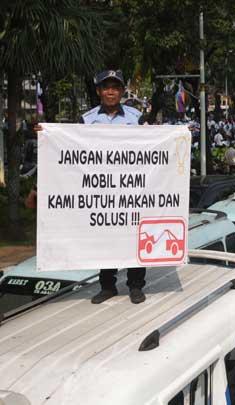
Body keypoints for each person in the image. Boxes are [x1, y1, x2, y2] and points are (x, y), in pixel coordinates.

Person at [82, 70, 147, 304]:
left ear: (121, 91)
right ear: (99, 91)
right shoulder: (87, 119)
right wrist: (47, 135)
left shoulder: (136, 117)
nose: (111, 91)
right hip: (102, 189)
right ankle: (107, 286)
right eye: (106, 87)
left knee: (134, 235)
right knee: (105, 237)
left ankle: (136, 286)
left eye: (115, 87)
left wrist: (179, 134)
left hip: (131, 189)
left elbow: (153, 142)